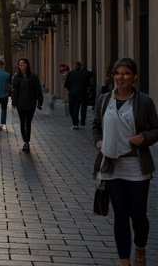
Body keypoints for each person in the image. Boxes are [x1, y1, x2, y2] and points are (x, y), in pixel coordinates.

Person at [92, 57, 158, 266]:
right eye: (117, 73)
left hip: (136, 165)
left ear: (134, 77)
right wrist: (98, 142)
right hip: (111, 165)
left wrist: (144, 138)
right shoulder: (103, 100)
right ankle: (125, 262)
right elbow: (95, 125)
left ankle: (140, 247)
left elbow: (156, 129)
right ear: (113, 76)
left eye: (126, 73)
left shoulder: (144, 101)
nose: (121, 77)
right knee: (121, 214)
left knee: (138, 214)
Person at [10, 57, 44, 153]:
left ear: (27, 65)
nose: (22, 66)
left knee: (28, 122)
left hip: (31, 103)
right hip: (20, 103)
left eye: (24, 64)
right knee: (22, 122)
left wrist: (39, 102)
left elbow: (38, 90)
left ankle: (27, 141)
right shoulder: (16, 77)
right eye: (20, 65)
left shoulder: (33, 77)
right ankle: (25, 141)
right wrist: (13, 102)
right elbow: (14, 90)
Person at [65, 60, 93, 129]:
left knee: (72, 108)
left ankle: (75, 122)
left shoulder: (70, 73)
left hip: (72, 93)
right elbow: (88, 83)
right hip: (82, 93)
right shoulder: (85, 73)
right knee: (81, 107)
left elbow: (66, 84)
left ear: (74, 66)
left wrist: (70, 89)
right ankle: (82, 121)